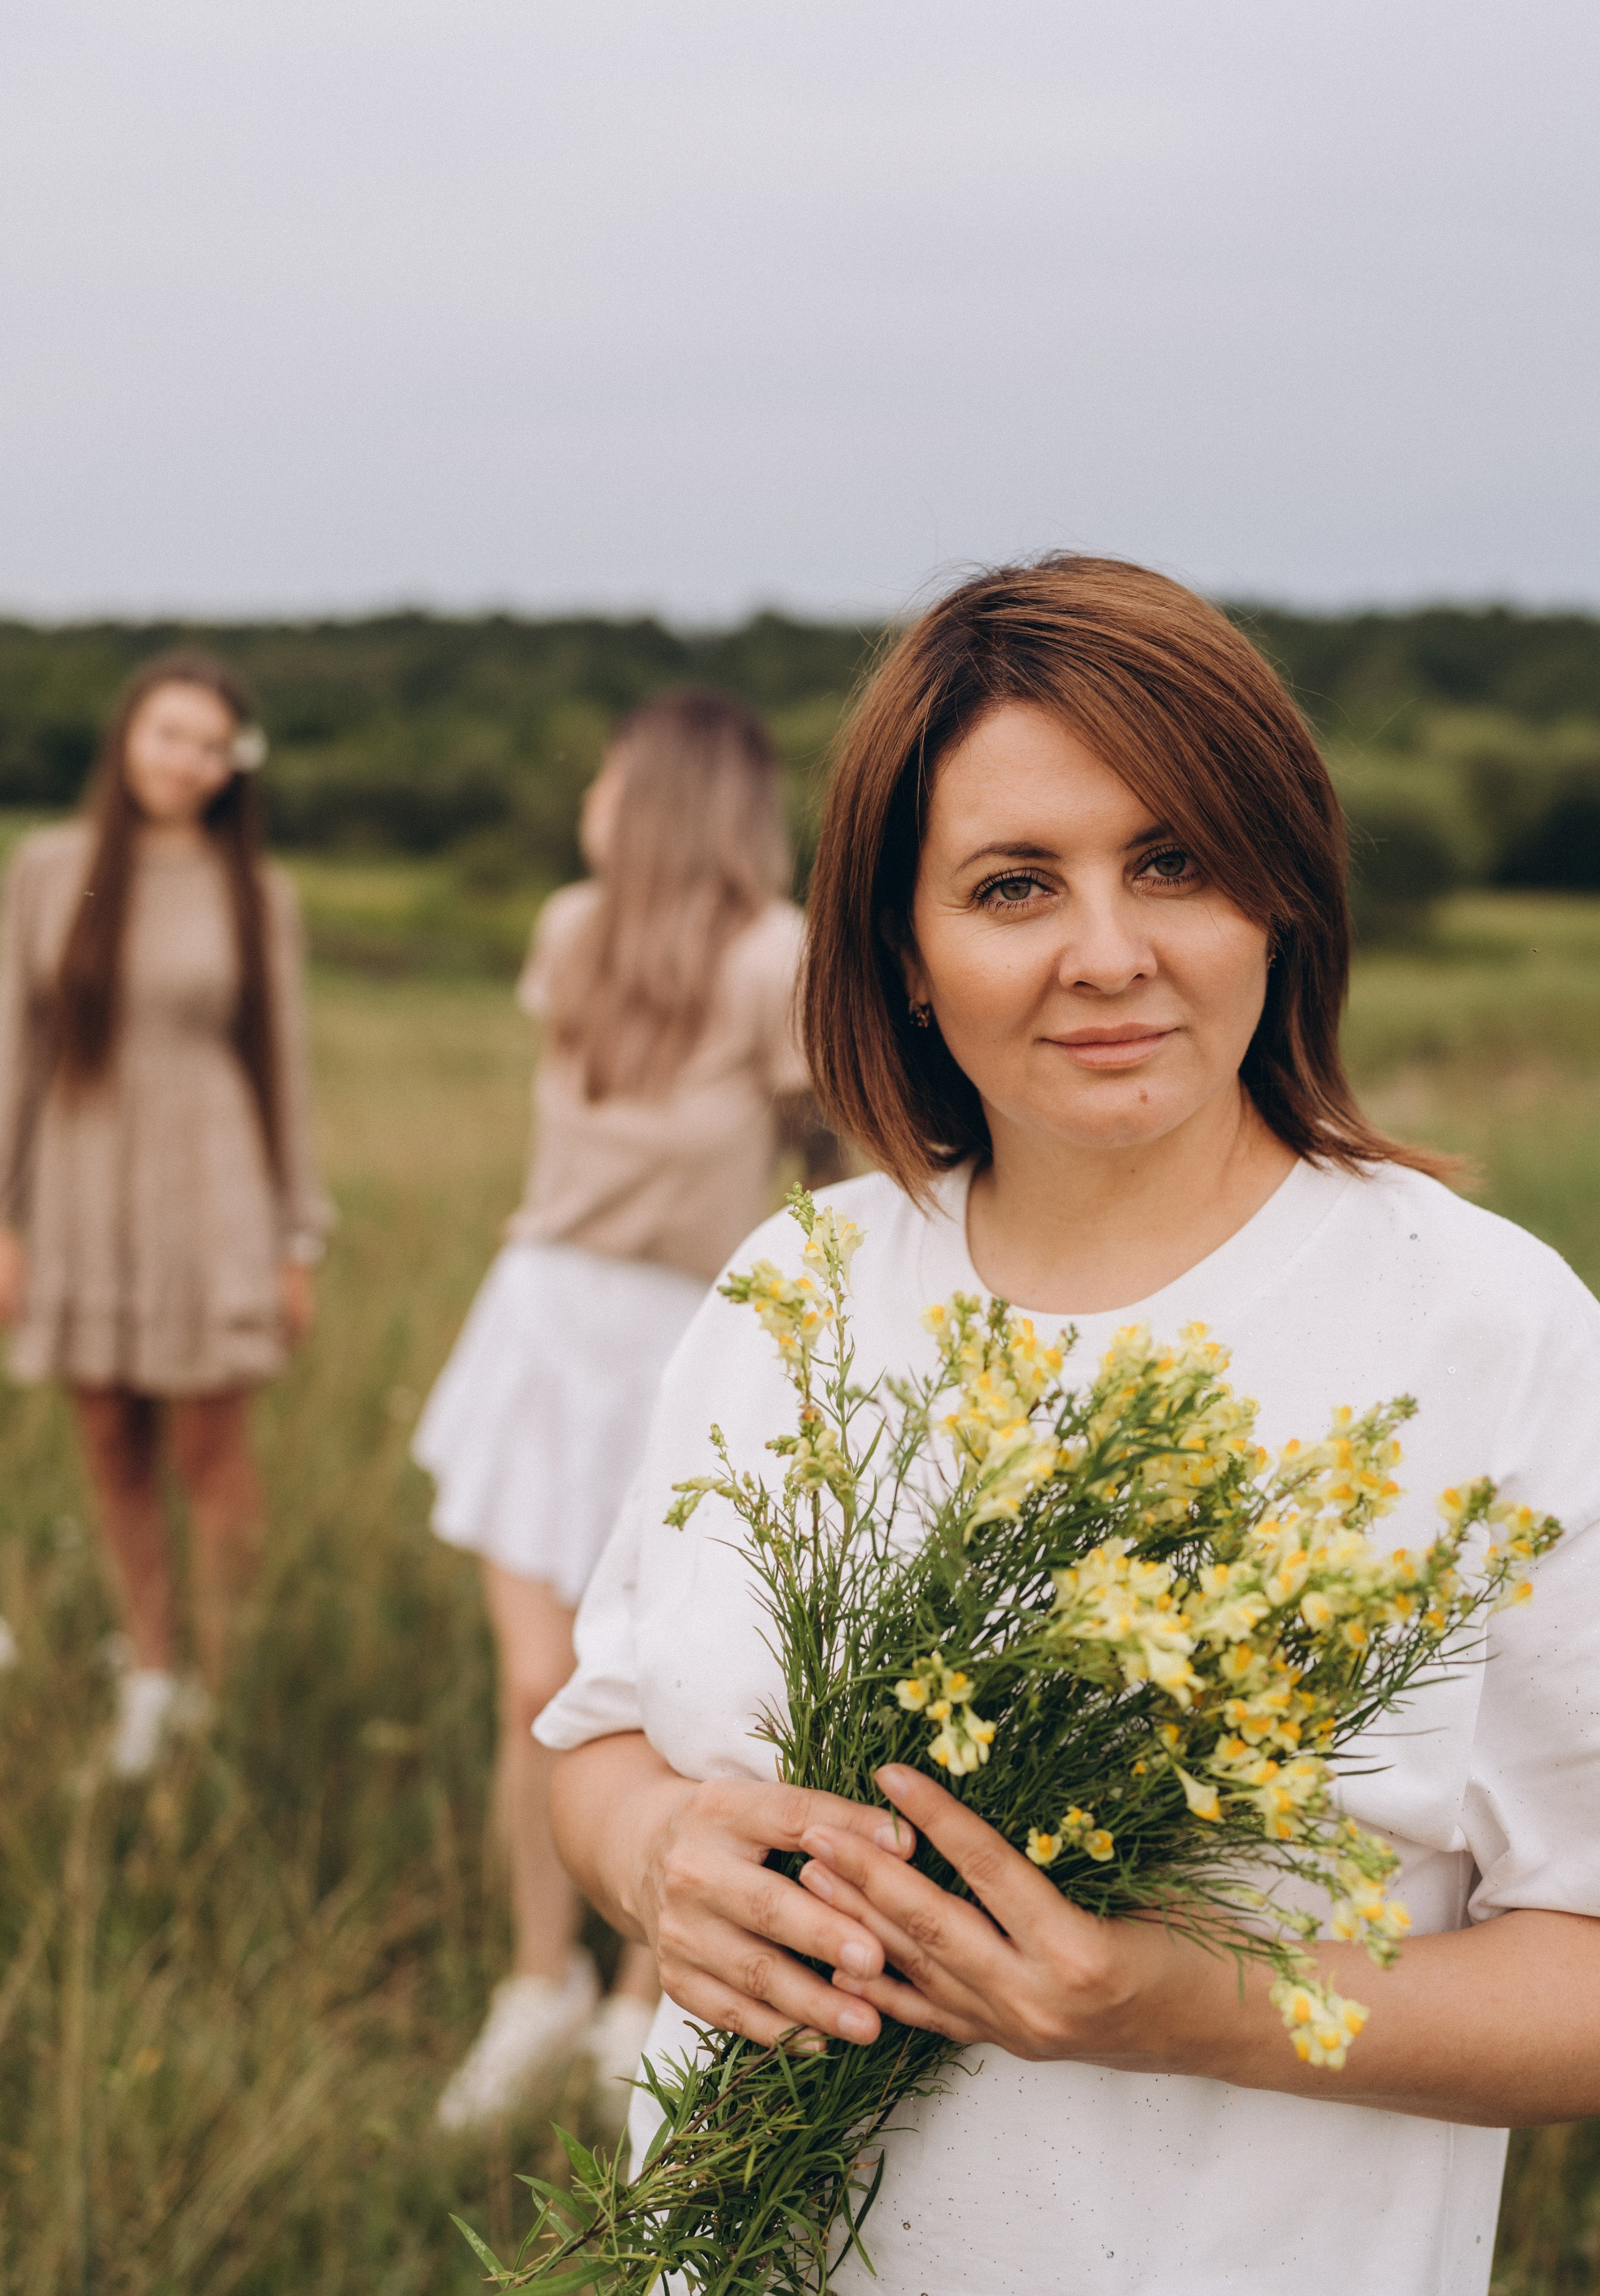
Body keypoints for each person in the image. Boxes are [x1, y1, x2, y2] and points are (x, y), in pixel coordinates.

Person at [536, 559, 1600, 2296]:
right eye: (1014, 884)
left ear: (1283, 894)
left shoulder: (1489, 1332)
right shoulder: (796, 1285)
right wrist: (660, 1860)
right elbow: (594, 1743)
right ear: (905, 949)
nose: (1108, 954)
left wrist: (1188, 2012)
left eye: (1172, 860)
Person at [416, 687, 843, 2134]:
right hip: (544, 1321)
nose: (589, 792)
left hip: (687, 1345)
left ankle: (639, 1999)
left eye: (609, 772)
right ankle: (535, 1984)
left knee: (676, 1697)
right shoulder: (568, 929)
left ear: (655, 792)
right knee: (533, 1686)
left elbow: (830, 1158)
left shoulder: (772, 957)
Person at [0, 651, 330, 1779]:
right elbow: (16, 1048)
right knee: (105, 1429)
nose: (182, 759)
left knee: (208, 1443)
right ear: (128, 737)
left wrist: (297, 1236)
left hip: (214, 1183)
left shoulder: (256, 889)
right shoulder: (50, 865)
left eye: (206, 742)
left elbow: (282, 1066)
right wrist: (4, 1219)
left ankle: (222, 1684)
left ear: (232, 764)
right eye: (165, 733)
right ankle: (150, 1664)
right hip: (82, 1183)